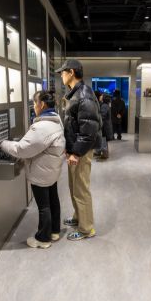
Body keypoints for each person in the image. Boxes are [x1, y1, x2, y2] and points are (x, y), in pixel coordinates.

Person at [0, 91, 65, 249]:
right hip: (51, 169)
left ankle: (43, 239)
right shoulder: (56, 120)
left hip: (41, 172)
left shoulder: (41, 127)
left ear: (42, 104)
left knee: (44, 206)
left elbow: (21, 149)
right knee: (53, 200)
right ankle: (54, 231)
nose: (34, 106)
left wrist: (2, 143)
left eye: (35, 103)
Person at [55, 59, 101, 241]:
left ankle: (86, 228)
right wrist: (70, 149)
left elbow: (89, 129)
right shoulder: (75, 93)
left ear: (71, 72)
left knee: (81, 189)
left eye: (62, 72)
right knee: (74, 187)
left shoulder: (84, 95)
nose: (61, 75)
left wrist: (76, 152)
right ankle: (78, 217)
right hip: (75, 149)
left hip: (81, 151)